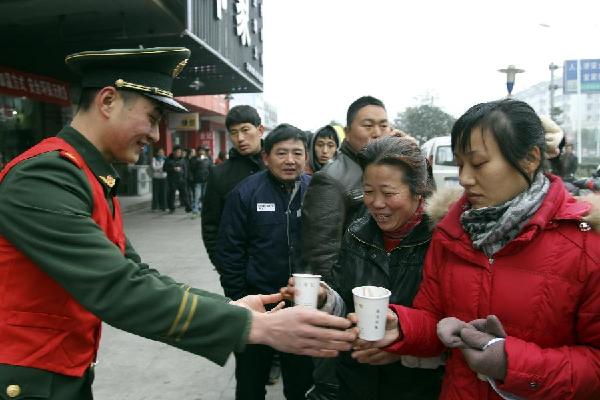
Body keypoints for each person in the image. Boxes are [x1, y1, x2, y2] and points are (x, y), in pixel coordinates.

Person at [0, 47, 357, 400]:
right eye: (153, 117)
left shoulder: (86, 176)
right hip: (25, 378)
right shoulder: (47, 175)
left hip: (61, 373)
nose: (156, 135)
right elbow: (119, 287)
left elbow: (135, 272)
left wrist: (229, 309)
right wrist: (250, 327)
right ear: (107, 101)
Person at [352, 99, 600, 400]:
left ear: (530, 158)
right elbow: (433, 316)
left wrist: (511, 362)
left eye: (479, 163)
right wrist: (403, 327)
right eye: (460, 164)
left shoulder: (586, 242)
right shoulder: (451, 231)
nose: (465, 178)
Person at [283, 134, 444, 399]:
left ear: (419, 190)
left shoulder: (441, 241)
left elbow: (453, 324)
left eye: (389, 193)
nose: (377, 203)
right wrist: (325, 297)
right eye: (368, 192)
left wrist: (402, 347)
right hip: (356, 381)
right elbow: (345, 297)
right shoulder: (358, 233)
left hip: (417, 387)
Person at [216, 123, 314, 400]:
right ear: (266, 157)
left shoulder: (315, 190)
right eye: (282, 153)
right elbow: (229, 251)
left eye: (297, 153)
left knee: (301, 382)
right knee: (250, 381)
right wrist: (240, 298)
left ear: (306, 157)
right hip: (258, 306)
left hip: (302, 305)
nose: (290, 160)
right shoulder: (245, 193)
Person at [202, 105, 265, 269]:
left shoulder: (277, 167)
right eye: (234, 132)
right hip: (238, 269)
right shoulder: (219, 174)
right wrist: (223, 266)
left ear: (260, 130)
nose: (240, 138)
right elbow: (210, 225)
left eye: (245, 130)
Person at [164, 145, 191, 213]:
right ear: (173, 152)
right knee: (171, 195)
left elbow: (185, 169)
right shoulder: (168, 159)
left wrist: (185, 178)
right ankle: (172, 208)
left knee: (185, 194)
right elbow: (164, 168)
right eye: (177, 152)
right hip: (172, 180)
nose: (178, 153)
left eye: (179, 152)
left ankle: (188, 208)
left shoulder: (182, 159)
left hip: (181, 180)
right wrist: (173, 169)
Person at [189, 146, 212, 218]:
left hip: (206, 180)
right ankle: (195, 211)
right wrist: (198, 161)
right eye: (200, 150)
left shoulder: (208, 159)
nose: (201, 152)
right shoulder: (194, 159)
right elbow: (191, 169)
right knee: (197, 196)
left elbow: (211, 169)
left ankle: (203, 211)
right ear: (197, 151)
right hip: (197, 181)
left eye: (203, 150)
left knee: (204, 197)